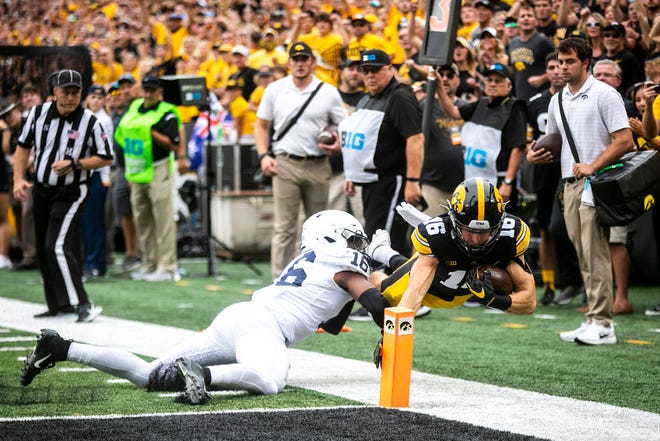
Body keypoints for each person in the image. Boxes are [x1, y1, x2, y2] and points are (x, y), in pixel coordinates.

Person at [20, 210, 389, 405]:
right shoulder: (341, 261)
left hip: (238, 318)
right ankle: (205, 376)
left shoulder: (313, 259)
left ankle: (63, 348)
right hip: (263, 329)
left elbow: (336, 319)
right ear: (333, 239)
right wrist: (388, 329)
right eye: (354, 240)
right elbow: (374, 301)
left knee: (150, 376)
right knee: (271, 381)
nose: (359, 247)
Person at [544, 37, 632, 345]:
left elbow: (625, 140)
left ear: (585, 62)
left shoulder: (605, 94)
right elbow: (552, 141)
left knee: (595, 253)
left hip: (596, 182)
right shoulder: (556, 100)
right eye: (560, 61)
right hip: (568, 181)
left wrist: (593, 166)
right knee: (582, 252)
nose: (563, 67)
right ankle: (593, 318)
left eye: (569, 61)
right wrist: (535, 154)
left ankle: (604, 324)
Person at [13, 69, 113, 323]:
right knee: (43, 248)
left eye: (75, 92)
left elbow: (105, 157)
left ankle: (84, 303)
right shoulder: (37, 113)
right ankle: (58, 304)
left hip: (72, 190)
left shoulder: (91, 121)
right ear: (54, 92)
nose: (70, 97)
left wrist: (76, 163)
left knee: (55, 245)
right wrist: (18, 179)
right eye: (65, 91)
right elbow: (23, 146)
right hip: (41, 188)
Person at [368, 178, 536, 317]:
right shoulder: (438, 236)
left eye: (484, 232)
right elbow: (414, 295)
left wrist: (493, 300)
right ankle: (375, 261)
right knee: (383, 296)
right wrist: (395, 336)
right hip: (432, 287)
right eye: (469, 231)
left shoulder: (511, 235)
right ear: (454, 221)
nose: (476, 239)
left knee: (413, 265)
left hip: (458, 293)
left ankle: (383, 251)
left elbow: (530, 302)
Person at [255, 42, 348, 279]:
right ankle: (279, 279)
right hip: (285, 162)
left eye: (304, 59)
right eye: (295, 59)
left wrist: (338, 142)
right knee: (284, 226)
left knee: (318, 226)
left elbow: (344, 124)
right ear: (288, 63)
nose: (300, 63)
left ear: (312, 63)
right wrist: (263, 155)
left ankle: (316, 278)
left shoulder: (327, 91)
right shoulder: (275, 89)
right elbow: (261, 125)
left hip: (318, 163)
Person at [339, 49, 424, 257]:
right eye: (365, 70)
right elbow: (363, 137)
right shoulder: (368, 98)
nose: (370, 75)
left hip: (391, 182)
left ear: (390, 69)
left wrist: (412, 180)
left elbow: (415, 139)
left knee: (383, 241)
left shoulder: (400, 97)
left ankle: (389, 286)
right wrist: (352, 174)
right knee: (376, 237)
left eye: (375, 70)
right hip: (371, 183)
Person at [114, 75, 185, 282]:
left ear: (159, 92)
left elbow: (174, 143)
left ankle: (168, 266)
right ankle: (149, 263)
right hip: (136, 171)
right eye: (145, 89)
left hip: (159, 169)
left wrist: (150, 132)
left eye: (152, 90)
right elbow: (123, 135)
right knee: (142, 220)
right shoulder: (135, 106)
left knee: (163, 219)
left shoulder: (167, 112)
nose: (147, 94)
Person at [526, 52, 583, 306]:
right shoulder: (536, 101)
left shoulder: (576, 99)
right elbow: (530, 140)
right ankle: (548, 285)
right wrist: (532, 153)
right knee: (547, 228)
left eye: (561, 65)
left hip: (570, 169)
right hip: (544, 171)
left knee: (570, 226)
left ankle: (575, 278)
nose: (557, 71)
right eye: (551, 67)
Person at [436, 62, 527, 210]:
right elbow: (452, 113)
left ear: (509, 85)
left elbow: (517, 148)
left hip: (498, 180)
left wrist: (508, 183)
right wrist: (439, 87)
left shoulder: (514, 108)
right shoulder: (481, 103)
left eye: (498, 81)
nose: (492, 84)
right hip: (474, 182)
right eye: (489, 80)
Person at [81, 84, 114, 280]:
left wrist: (106, 178)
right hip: (84, 173)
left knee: (94, 220)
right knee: (85, 221)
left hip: (97, 173)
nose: (95, 101)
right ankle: (88, 261)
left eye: (99, 98)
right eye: (92, 97)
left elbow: (105, 152)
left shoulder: (104, 120)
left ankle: (96, 263)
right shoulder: (84, 116)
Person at [506, 2, 555, 101]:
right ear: (518, 22)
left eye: (530, 16)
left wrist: (543, 78)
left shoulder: (543, 41)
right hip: (520, 97)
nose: (526, 18)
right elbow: (512, 70)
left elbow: (560, 66)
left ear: (536, 21)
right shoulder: (513, 43)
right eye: (522, 16)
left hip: (542, 97)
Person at [0, 98, 18, 269]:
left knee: (2, 217)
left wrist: (5, 130)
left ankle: (4, 255)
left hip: (1, 173)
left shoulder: (4, 127)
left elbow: (5, 149)